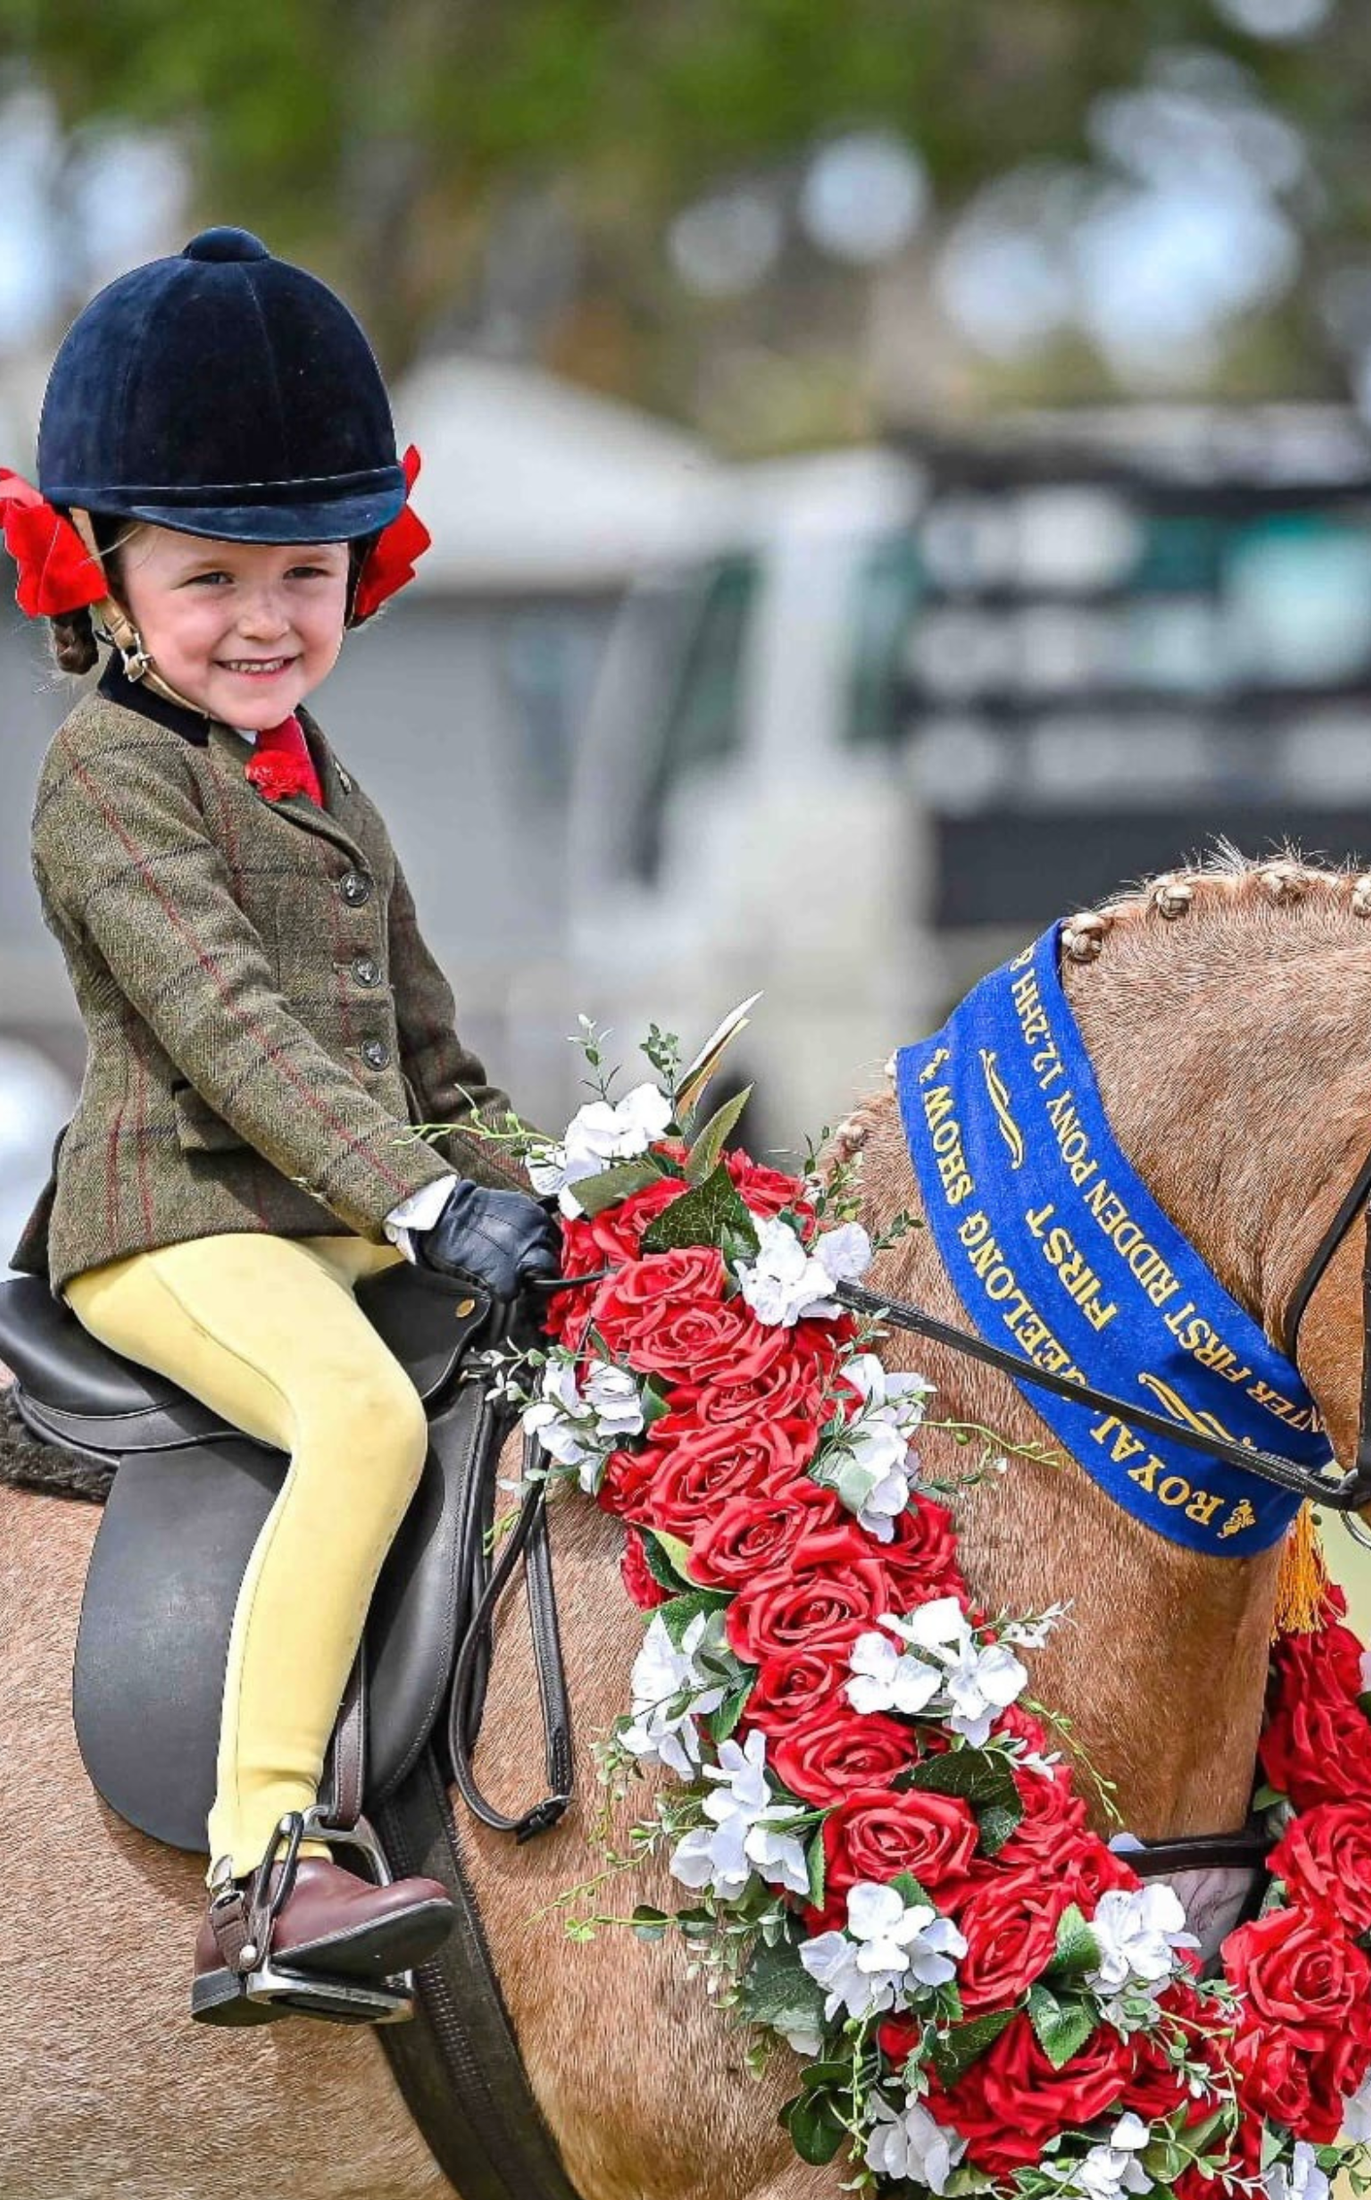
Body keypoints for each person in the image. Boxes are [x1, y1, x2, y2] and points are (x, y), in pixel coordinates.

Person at [1, 226, 560, 2028]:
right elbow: (228, 1033)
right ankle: (265, 1867)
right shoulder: (105, 773)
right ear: (105, 570)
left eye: (301, 573)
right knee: (358, 1415)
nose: (263, 619)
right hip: (177, 1224)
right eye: (210, 576)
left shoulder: (331, 787)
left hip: (341, 1211)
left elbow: (430, 1062)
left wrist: (566, 1197)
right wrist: (417, 1199)